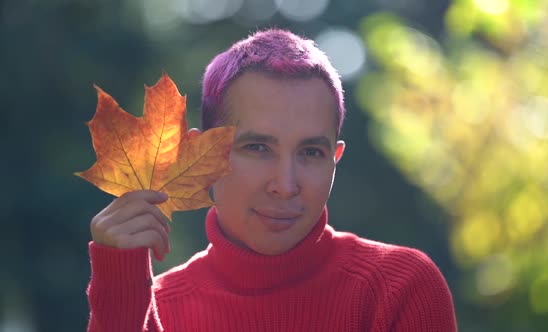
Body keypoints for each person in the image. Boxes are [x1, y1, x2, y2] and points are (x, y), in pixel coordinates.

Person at [86, 29, 457, 332]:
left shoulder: (399, 288)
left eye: (311, 152)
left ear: (334, 159)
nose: (286, 184)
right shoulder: (158, 309)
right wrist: (120, 297)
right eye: (258, 148)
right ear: (204, 155)